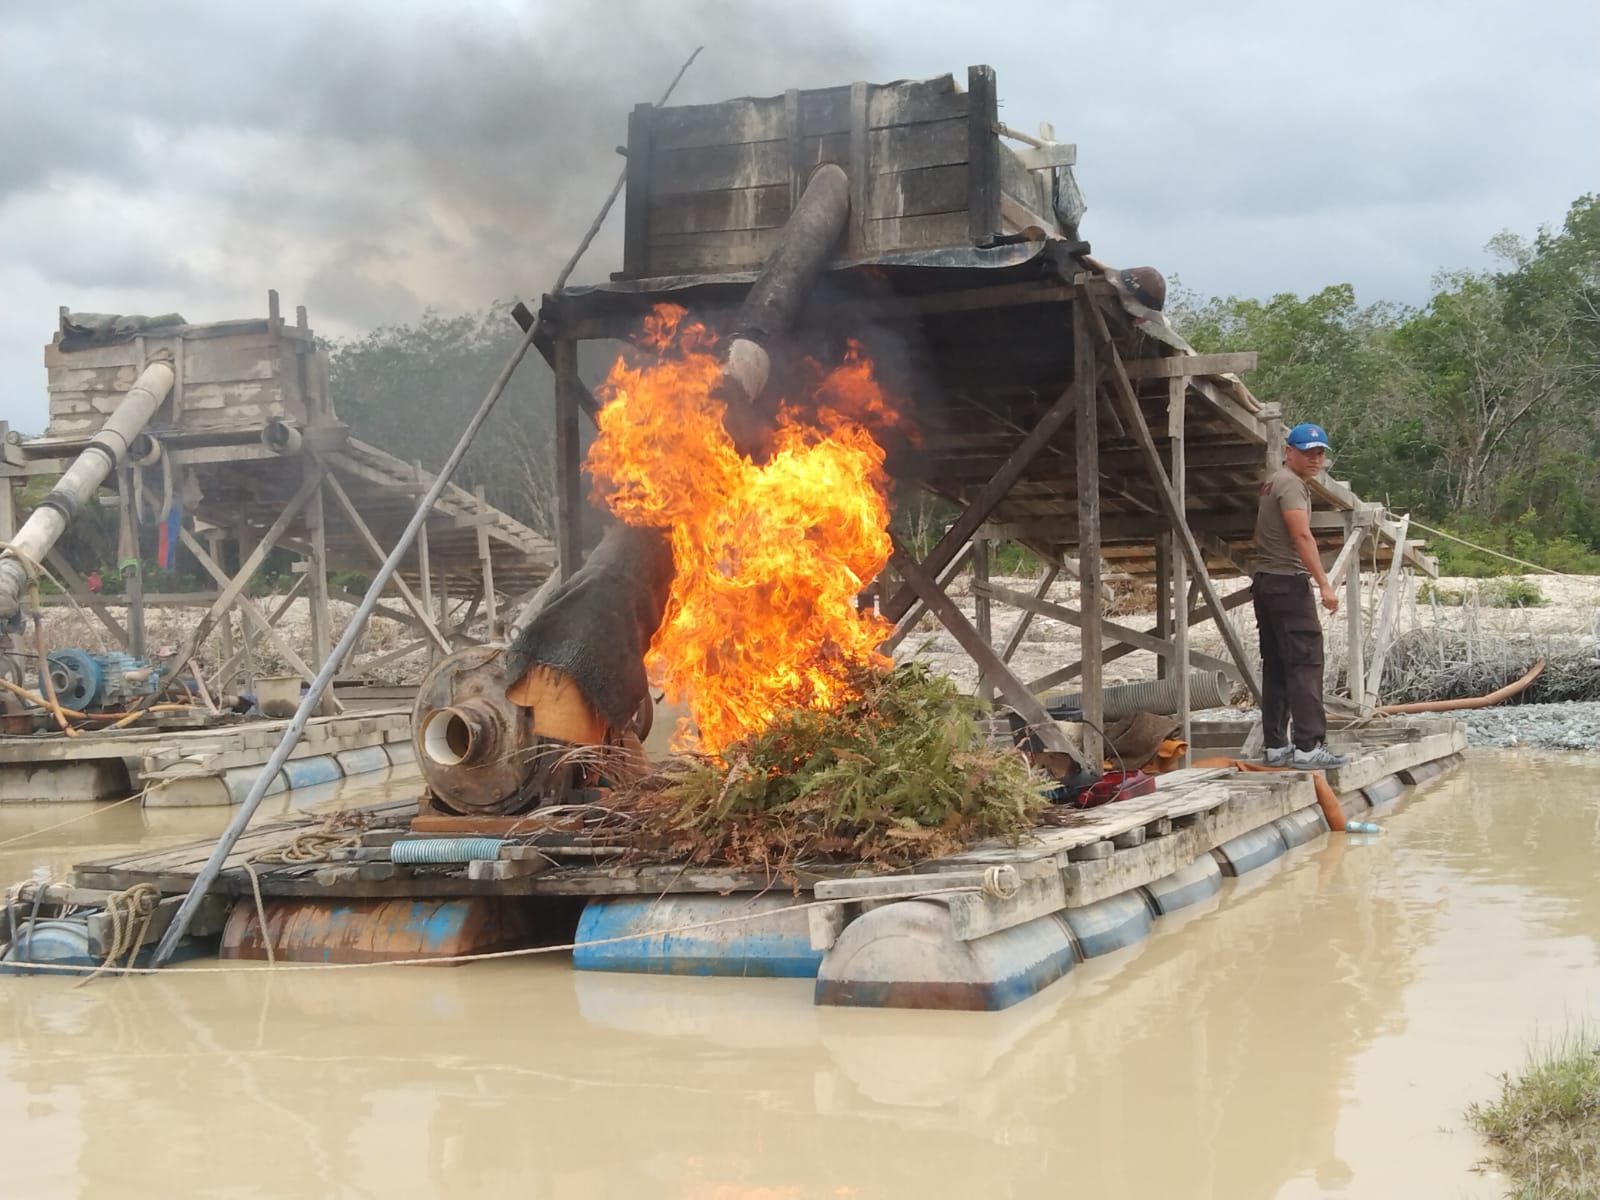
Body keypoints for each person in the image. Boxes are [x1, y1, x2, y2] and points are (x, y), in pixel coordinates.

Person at [1251, 422, 1348, 769]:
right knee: (1306, 664)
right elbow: (1301, 536)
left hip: (1265, 582)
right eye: (1308, 453)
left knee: (1277, 665)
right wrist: (1323, 583)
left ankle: (1277, 746)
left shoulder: (1273, 483)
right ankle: (1309, 746)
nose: (1315, 459)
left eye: (1320, 453)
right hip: (1288, 583)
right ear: (1289, 452)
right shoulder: (1291, 485)